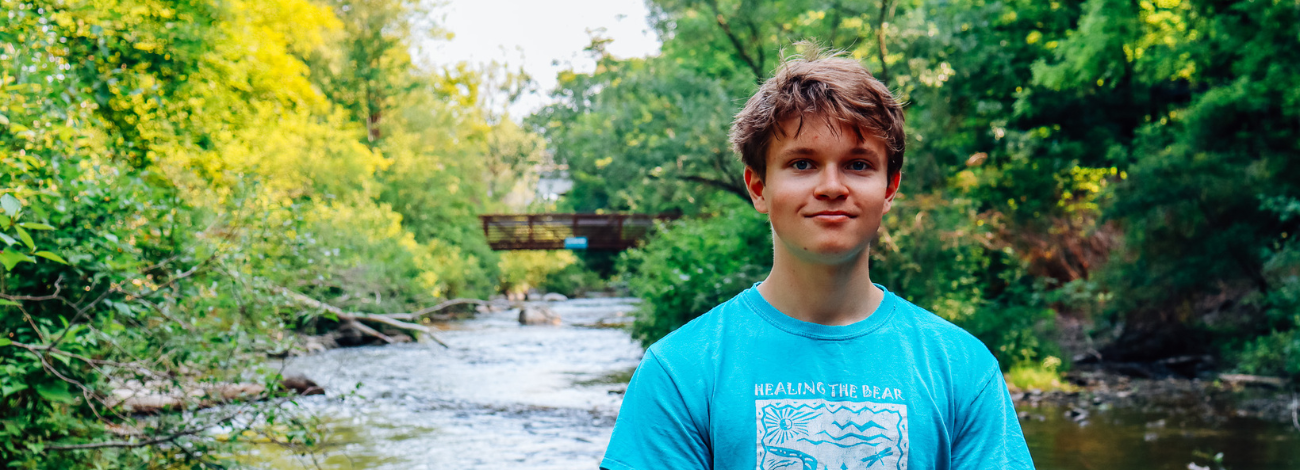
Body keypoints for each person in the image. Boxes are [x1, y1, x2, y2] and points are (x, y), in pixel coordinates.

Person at [600, 45, 1035, 470]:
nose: (831, 186)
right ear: (758, 188)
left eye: (858, 164)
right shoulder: (679, 371)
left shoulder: (962, 368)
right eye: (803, 163)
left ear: (889, 189)